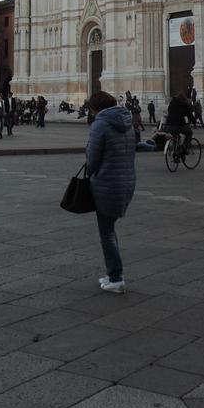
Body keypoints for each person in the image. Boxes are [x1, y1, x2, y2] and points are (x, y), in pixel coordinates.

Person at [84, 91, 136, 294]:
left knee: (106, 233)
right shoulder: (127, 122)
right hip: (126, 183)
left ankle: (115, 277)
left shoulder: (100, 124)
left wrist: (89, 163)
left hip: (106, 184)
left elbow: (93, 159)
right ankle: (113, 274)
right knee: (109, 229)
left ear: (96, 108)